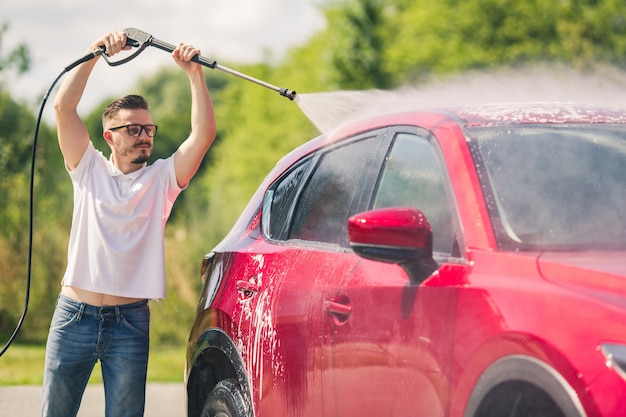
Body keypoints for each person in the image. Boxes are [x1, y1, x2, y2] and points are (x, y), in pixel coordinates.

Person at [42, 30, 216, 417]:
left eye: (149, 129)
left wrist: (194, 74)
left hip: (130, 322)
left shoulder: (161, 180)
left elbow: (202, 136)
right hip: (74, 315)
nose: (145, 136)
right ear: (109, 136)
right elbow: (62, 109)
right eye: (133, 129)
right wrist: (95, 54)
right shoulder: (87, 168)